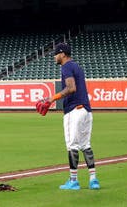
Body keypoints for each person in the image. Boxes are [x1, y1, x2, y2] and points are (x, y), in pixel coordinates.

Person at [39, 42, 100, 191]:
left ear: (63, 54)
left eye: (56, 54)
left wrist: (52, 98)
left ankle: (73, 181)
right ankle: (93, 180)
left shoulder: (66, 67)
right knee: (86, 145)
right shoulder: (77, 66)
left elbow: (71, 88)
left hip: (74, 111)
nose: (54, 56)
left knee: (72, 146)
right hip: (86, 110)